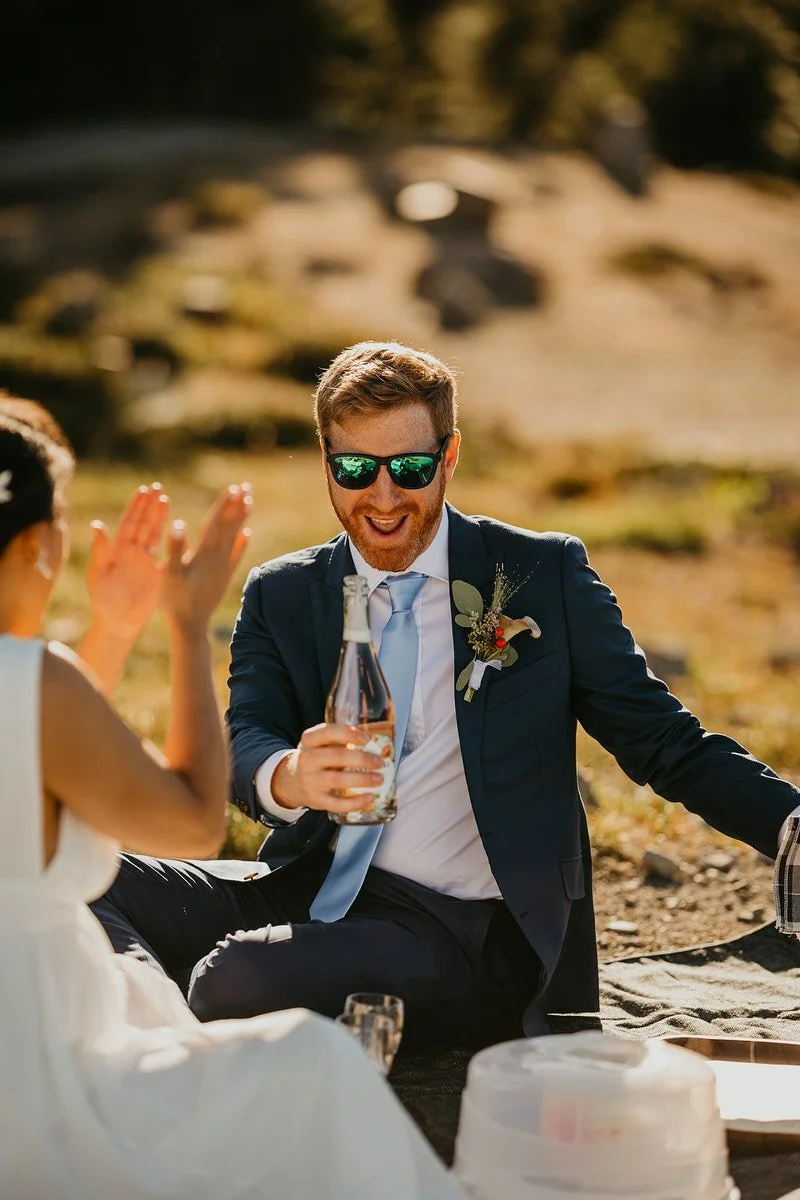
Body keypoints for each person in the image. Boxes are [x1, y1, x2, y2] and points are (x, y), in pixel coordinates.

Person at [94, 342, 800, 1049]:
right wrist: (290, 775)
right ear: (326, 462)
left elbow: (664, 743)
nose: (383, 495)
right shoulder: (283, 592)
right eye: (354, 469)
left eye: (409, 467)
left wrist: (788, 825)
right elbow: (248, 738)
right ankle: (160, 1029)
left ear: (449, 456)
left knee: (234, 979)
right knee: (80, 876)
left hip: (468, 933)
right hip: (305, 886)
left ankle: (161, 1028)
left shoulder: (539, 575)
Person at [0, 397, 464, 1200]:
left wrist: (109, 634)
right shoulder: (38, 682)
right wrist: (184, 628)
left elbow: (35, 773)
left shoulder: (35, 689)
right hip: (40, 1060)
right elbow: (190, 820)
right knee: (317, 1064)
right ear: (41, 546)